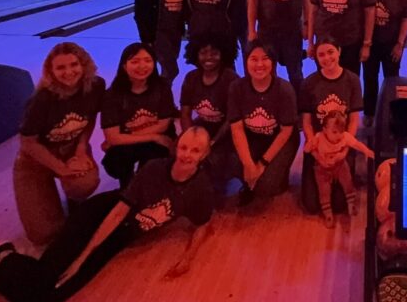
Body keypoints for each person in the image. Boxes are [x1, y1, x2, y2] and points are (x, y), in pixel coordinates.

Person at [0, 127, 216, 302]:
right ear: (176, 146)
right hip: (98, 216)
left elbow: (203, 224)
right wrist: (83, 257)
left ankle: (0, 267)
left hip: (116, 239)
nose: (187, 155)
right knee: (49, 274)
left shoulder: (200, 188)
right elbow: (116, 214)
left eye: (195, 150)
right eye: (183, 147)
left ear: (205, 154)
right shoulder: (155, 169)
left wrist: (188, 259)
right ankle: (2, 256)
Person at [14, 43, 104, 245]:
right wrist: (61, 169)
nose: (69, 72)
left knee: (83, 185)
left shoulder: (95, 86)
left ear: (84, 64)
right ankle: (49, 196)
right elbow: (28, 142)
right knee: (43, 235)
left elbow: (89, 118)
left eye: (74, 64)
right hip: (35, 159)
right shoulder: (42, 99)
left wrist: (81, 150)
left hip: (71, 149)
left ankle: (74, 200)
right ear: (51, 71)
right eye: (61, 68)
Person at [227, 41, 300, 204]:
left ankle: (278, 176)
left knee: (267, 188)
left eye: (265, 59)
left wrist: (262, 163)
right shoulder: (236, 87)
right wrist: (248, 164)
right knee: (232, 162)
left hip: (281, 139)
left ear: (273, 63)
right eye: (254, 59)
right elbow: (237, 128)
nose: (259, 64)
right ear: (245, 61)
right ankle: (251, 180)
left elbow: (286, 131)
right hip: (252, 136)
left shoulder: (284, 89)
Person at [300, 37, 364, 214]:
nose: (327, 58)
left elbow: (353, 119)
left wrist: (344, 149)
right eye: (321, 54)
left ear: (339, 51)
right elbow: (306, 122)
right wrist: (316, 150)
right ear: (316, 57)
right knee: (312, 206)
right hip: (319, 145)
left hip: (342, 143)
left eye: (330, 52)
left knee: (340, 205)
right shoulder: (309, 83)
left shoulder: (352, 80)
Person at [100, 43, 178, 189]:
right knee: (116, 162)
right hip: (144, 139)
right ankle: (127, 186)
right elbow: (112, 137)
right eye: (135, 61)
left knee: (155, 159)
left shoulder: (162, 87)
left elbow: (163, 125)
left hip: (148, 137)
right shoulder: (113, 95)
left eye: (148, 61)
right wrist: (154, 136)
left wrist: (121, 136)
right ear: (124, 66)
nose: (142, 66)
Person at [180, 33, 240, 201]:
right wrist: (191, 138)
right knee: (180, 153)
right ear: (195, 54)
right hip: (202, 128)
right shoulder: (191, 78)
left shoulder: (230, 79)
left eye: (214, 53)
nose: (208, 57)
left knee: (214, 159)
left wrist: (211, 142)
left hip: (227, 133)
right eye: (203, 53)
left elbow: (232, 119)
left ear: (223, 55)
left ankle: (217, 185)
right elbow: (185, 113)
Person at [363, 0, 407, 123]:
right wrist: (364, 43)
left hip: (392, 43)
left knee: (391, 80)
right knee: (369, 78)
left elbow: (406, 19)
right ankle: (369, 113)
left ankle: (390, 113)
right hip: (371, 42)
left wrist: (400, 44)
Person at [307, 110, 374, 227]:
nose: (338, 136)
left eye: (341, 132)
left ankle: (351, 204)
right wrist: (315, 153)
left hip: (339, 165)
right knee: (324, 190)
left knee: (348, 182)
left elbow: (356, 144)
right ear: (324, 130)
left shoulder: (345, 137)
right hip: (322, 168)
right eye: (334, 132)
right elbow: (309, 150)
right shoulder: (319, 138)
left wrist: (366, 151)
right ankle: (328, 213)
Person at [133, 0, 186, 84]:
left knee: (165, 69)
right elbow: (140, 15)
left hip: (175, 34)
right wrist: (146, 39)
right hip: (158, 35)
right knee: (171, 70)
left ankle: (159, 99)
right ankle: (161, 97)